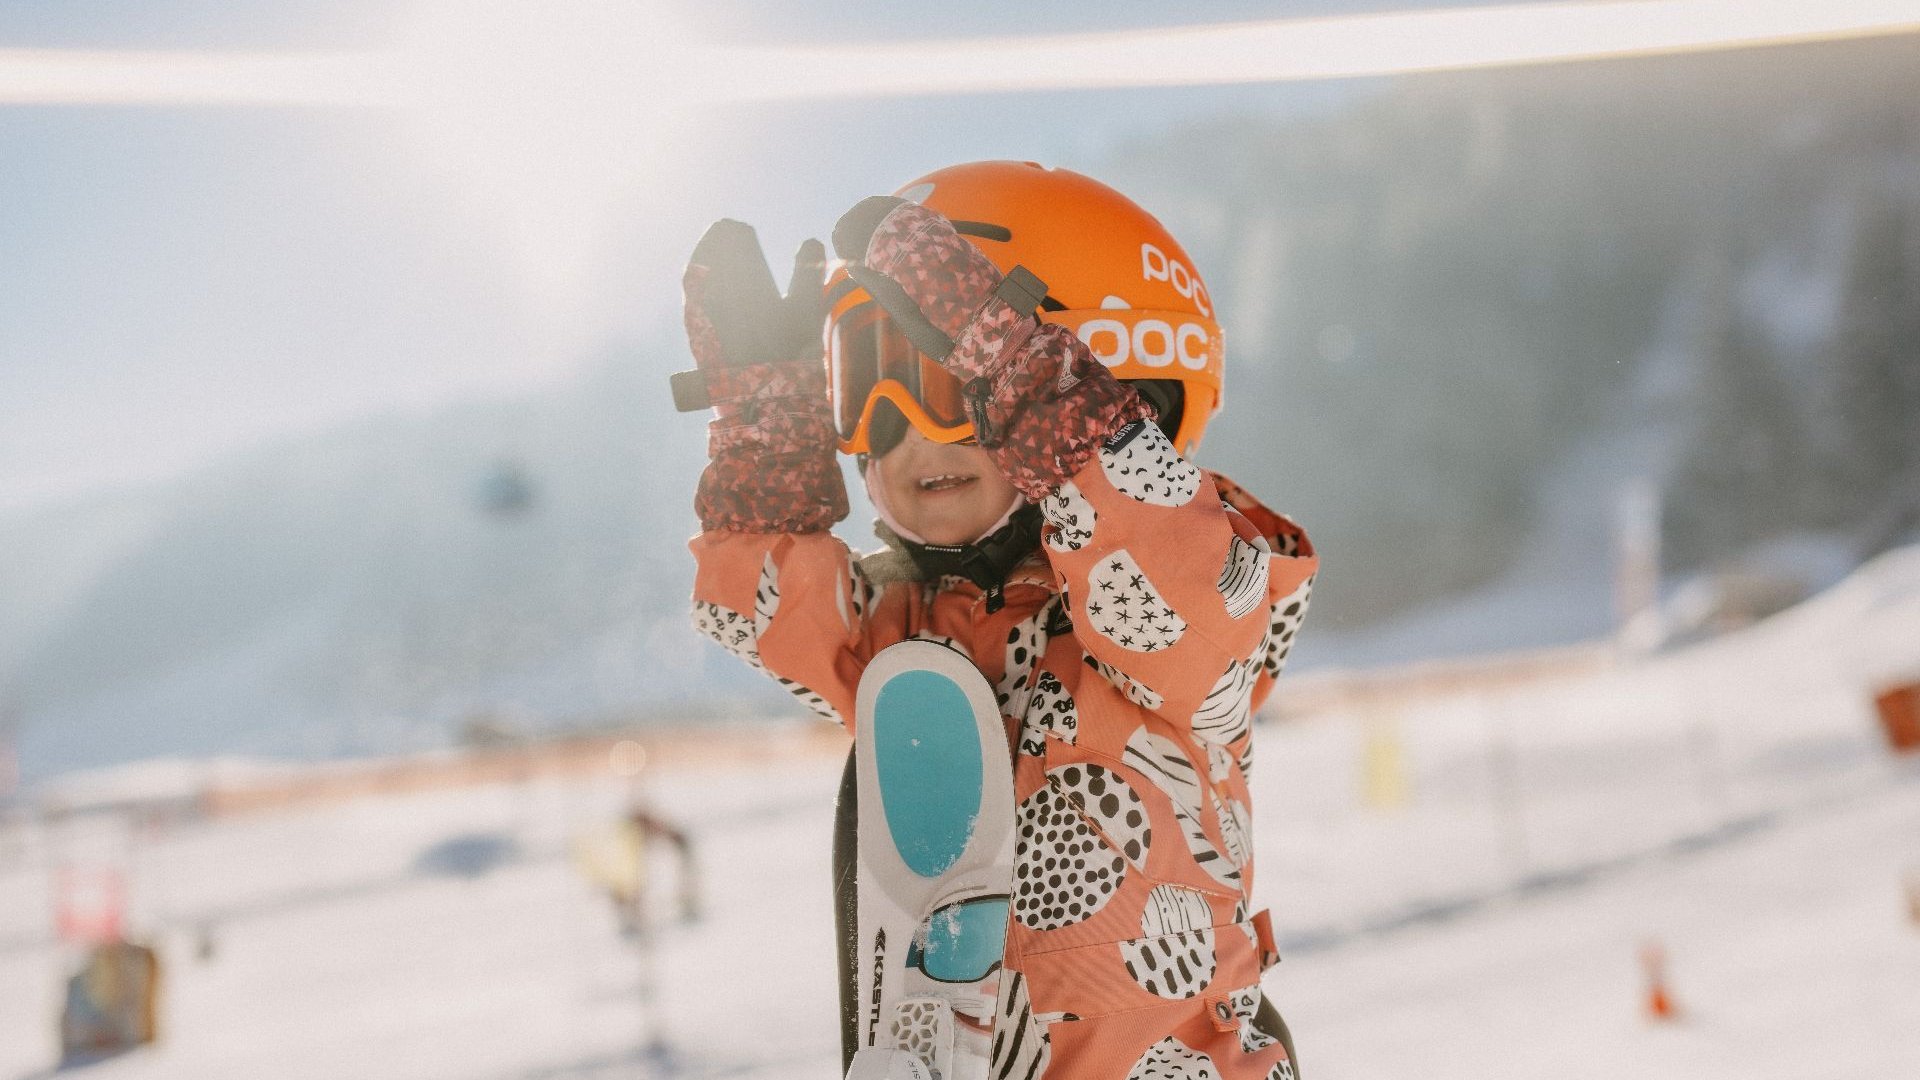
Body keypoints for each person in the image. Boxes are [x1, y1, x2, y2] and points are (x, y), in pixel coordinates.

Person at [682, 161, 1316, 1080]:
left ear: (1104, 380)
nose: (909, 431)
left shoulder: (1181, 615)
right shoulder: (901, 628)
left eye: (949, 380)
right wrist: (768, 445)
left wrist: (1037, 392)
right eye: (867, 388)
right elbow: (762, 615)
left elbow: (1168, 574)